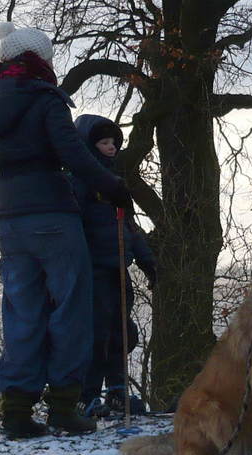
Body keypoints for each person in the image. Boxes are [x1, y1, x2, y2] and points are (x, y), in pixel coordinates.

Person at [0, 22, 133, 439]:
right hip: (54, 214)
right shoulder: (45, 97)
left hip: (9, 221)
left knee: (22, 310)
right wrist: (113, 187)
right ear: (40, 59)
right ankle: (63, 407)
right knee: (71, 307)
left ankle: (17, 412)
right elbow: (74, 153)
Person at [67, 114, 157, 418]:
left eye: (113, 142)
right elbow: (73, 228)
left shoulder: (117, 184)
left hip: (119, 269)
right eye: (104, 142)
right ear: (88, 146)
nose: (111, 147)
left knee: (122, 331)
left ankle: (117, 390)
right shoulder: (78, 182)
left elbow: (130, 227)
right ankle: (88, 395)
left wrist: (148, 263)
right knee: (98, 333)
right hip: (94, 271)